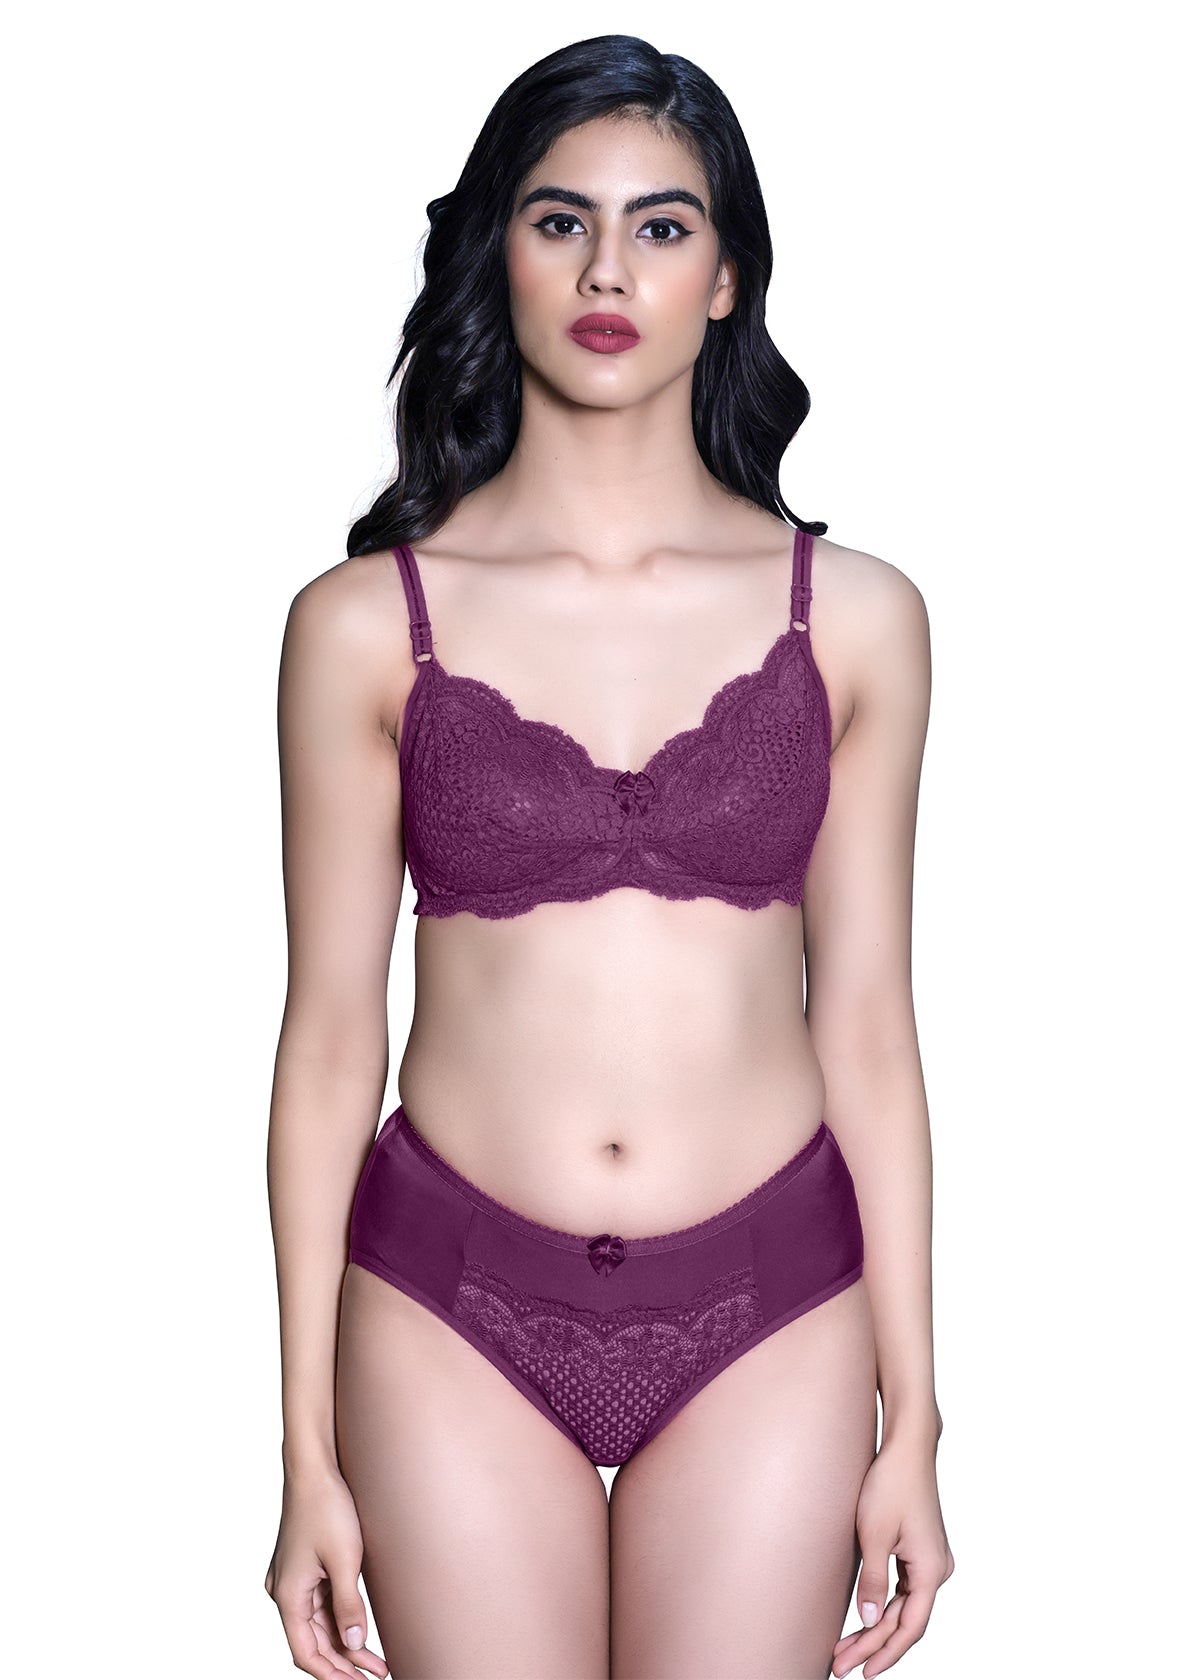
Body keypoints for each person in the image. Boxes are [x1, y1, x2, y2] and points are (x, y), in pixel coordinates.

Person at [263, 33, 953, 1680]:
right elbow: (329, 1038)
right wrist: (300, 1450)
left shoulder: (857, 618)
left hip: (773, 1300)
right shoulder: (363, 625)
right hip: (447, 1303)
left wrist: (920, 1414)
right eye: (560, 219)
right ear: (497, 249)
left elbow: (869, 1023)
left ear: (726, 279)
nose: (607, 271)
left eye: (663, 226)